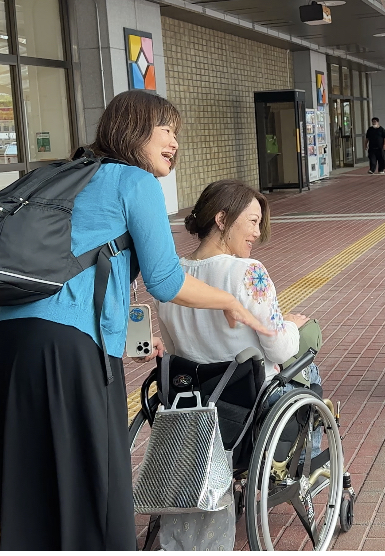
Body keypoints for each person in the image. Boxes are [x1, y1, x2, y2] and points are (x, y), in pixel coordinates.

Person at [0, 90, 272, 550]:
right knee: (97, 481)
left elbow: (99, 268)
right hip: (70, 350)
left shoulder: (70, 175)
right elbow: (165, 280)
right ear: (133, 130)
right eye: (165, 129)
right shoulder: (133, 182)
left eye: (176, 133)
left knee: (29, 481)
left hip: (13, 342)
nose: (174, 142)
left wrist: (123, 337)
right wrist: (229, 302)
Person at [157, 179, 316, 550]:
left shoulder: (170, 277)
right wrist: (291, 324)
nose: (257, 234)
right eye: (253, 221)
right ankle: (300, 469)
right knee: (307, 353)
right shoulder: (248, 272)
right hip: (247, 410)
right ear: (222, 218)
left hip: (193, 408)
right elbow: (278, 349)